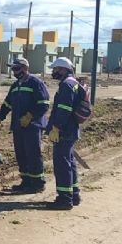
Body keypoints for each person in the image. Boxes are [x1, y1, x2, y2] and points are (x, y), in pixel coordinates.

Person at [0, 58, 51, 192]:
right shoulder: (15, 86)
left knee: (33, 154)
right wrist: (0, 117)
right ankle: (26, 181)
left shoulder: (35, 83)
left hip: (32, 126)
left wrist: (30, 116)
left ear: (25, 68)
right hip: (18, 126)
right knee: (21, 154)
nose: (14, 72)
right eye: (12, 69)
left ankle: (37, 183)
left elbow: (44, 104)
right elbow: (8, 103)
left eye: (16, 68)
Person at [46, 57, 82, 210]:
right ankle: (74, 195)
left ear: (63, 69)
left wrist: (56, 127)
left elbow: (64, 109)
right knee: (69, 162)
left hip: (64, 131)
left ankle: (64, 199)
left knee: (62, 164)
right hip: (71, 129)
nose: (53, 72)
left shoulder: (67, 85)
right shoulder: (73, 83)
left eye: (55, 69)